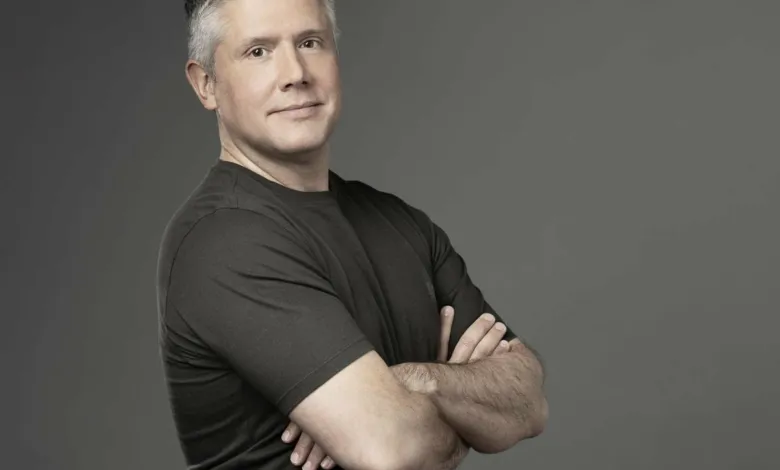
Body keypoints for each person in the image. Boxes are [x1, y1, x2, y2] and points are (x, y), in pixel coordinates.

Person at [156, 0, 549, 468]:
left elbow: (529, 401)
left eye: (310, 42)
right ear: (206, 84)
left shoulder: (401, 223)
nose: (295, 72)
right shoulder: (222, 241)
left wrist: (419, 380)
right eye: (258, 51)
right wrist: (463, 413)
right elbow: (395, 451)